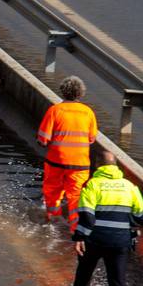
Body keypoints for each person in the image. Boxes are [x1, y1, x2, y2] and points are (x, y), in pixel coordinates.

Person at [71, 160, 143, 286]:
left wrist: (79, 237)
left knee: (84, 274)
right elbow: (141, 215)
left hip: (94, 240)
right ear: (117, 167)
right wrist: (124, 224)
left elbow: (87, 217)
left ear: (98, 168)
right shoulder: (130, 187)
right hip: (120, 242)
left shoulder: (92, 185)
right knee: (118, 281)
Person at [37, 76, 98, 230]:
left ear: (63, 92)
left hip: (56, 161)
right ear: (81, 93)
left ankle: (53, 219)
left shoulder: (55, 110)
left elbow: (43, 138)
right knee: (76, 196)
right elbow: (91, 138)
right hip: (80, 164)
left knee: (52, 190)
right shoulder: (88, 112)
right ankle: (75, 229)